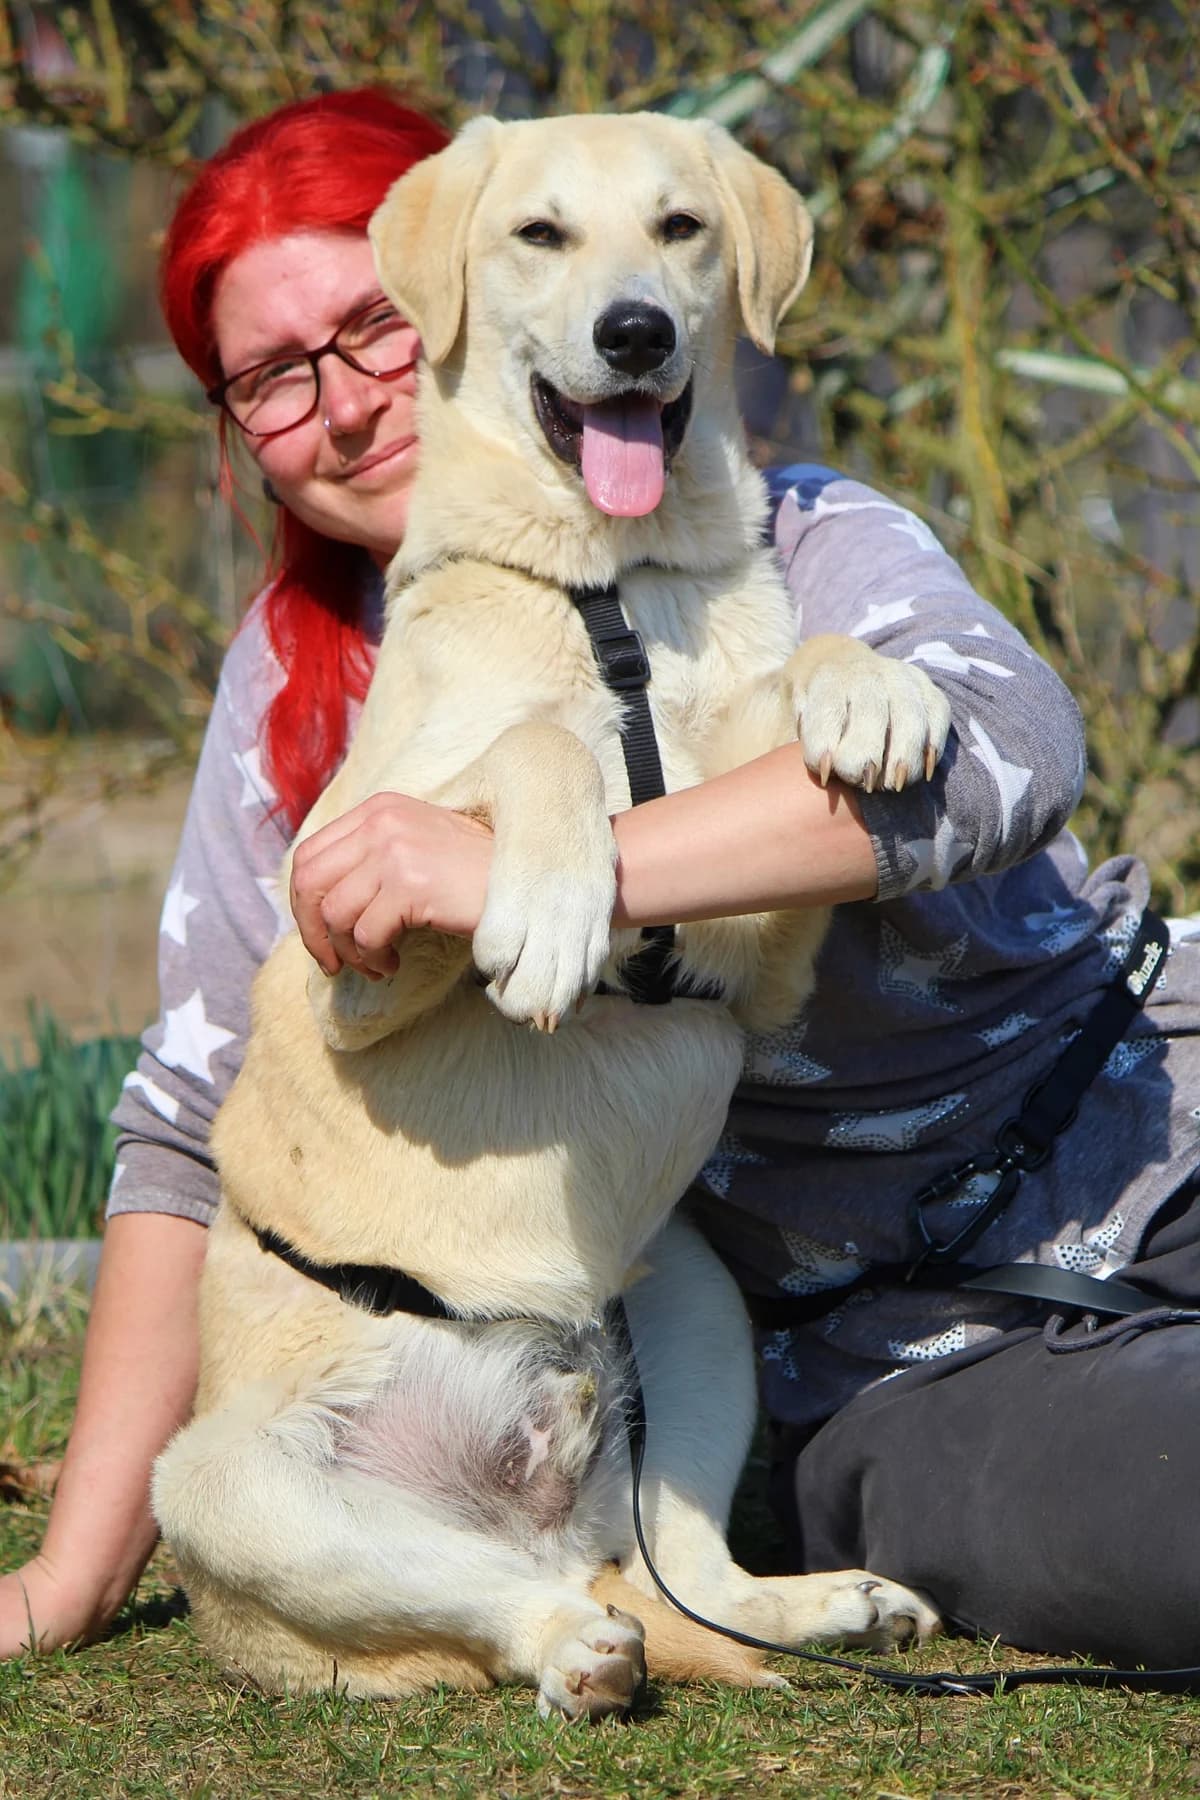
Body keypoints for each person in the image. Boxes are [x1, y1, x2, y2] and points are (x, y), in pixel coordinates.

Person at [3, 87, 1198, 1671]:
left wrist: (590, 864)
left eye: (367, 327)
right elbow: (186, 1119)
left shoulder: (793, 538)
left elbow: (1012, 750)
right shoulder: (291, 701)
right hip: (902, 1340)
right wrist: (68, 1582)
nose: (351, 401)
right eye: (275, 380)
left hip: (1147, 1095)